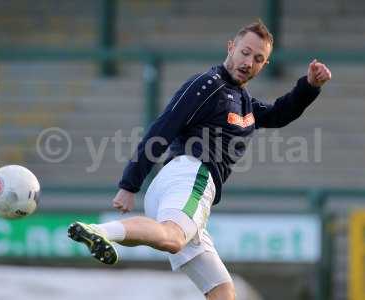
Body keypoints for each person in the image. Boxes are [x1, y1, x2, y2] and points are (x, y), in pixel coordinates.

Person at [68, 20, 332, 300]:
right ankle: (100, 231)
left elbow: (278, 114)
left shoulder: (244, 102)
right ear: (231, 47)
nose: (248, 62)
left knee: (222, 290)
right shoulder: (208, 84)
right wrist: (130, 183)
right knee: (172, 237)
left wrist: (309, 86)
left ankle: (103, 233)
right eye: (245, 52)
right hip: (191, 176)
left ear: (264, 65)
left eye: (258, 59)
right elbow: (164, 127)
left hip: (178, 186)